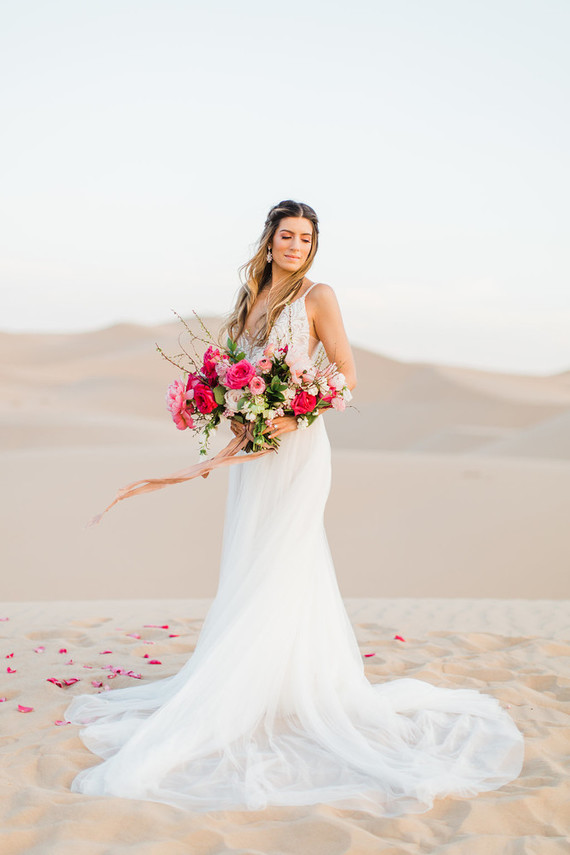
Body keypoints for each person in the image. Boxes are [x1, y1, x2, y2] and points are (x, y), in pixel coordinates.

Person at [64, 199, 524, 816]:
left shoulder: (317, 296)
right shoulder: (247, 301)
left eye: (306, 238)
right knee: (251, 553)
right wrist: (227, 407)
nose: (296, 246)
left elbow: (346, 376)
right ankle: (261, 677)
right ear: (269, 239)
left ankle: (270, 683)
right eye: (287, 236)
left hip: (299, 449)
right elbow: (235, 372)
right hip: (255, 452)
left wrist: (293, 413)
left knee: (286, 554)